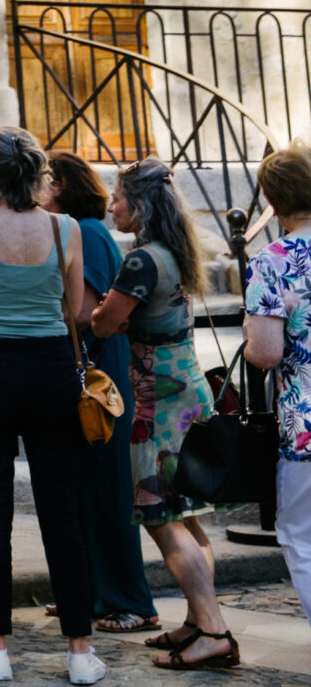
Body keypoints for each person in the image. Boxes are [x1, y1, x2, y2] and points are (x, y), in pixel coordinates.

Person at [0, 127, 102, 685]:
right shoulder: (66, 228)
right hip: (51, 368)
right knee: (62, 511)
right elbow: (74, 306)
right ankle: (80, 651)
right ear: (36, 173)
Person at [93, 158, 231, 669]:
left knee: (161, 518)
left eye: (118, 197)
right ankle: (199, 619)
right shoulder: (174, 250)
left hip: (158, 401)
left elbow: (105, 323)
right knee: (186, 517)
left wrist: (97, 314)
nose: (112, 206)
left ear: (142, 204)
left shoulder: (141, 261)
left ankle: (214, 630)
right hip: (187, 388)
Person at [44, 151, 158, 636]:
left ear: (63, 186)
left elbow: (85, 310)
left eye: (46, 181)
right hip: (90, 368)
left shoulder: (85, 232)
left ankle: (128, 599)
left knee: (107, 490)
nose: (38, 189)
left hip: (96, 372)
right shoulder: (79, 231)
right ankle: (90, 593)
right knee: (86, 490)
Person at [241, 144, 311, 631]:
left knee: (302, 535)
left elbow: (264, 354)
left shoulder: (273, 259)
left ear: (271, 198)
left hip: (306, 421)